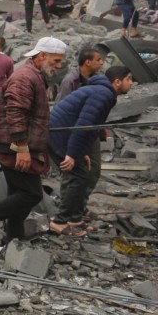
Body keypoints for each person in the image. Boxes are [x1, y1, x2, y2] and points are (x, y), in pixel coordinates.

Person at [0, 37, 67, 244]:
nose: (59, 66)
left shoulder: (34, 75)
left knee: (18, 194)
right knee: (31, 194)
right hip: (13, 145)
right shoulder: (25, 77)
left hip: (15, 143)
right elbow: (15, 113)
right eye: (56, 60)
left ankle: (13, 240)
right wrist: (22, 148)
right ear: (42, 56)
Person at [47, 66, 133, 236]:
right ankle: (59, 222)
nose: (132, 83)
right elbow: (84, 125)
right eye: (129, 79)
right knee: (78, 176)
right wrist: (72, 154)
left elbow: (91, 127)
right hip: (57, 136)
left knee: (82, 174)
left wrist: (82, 152)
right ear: (117, 82)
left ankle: (74, 219)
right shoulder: (103, 94)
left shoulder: (102, 91)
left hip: (61, 134)